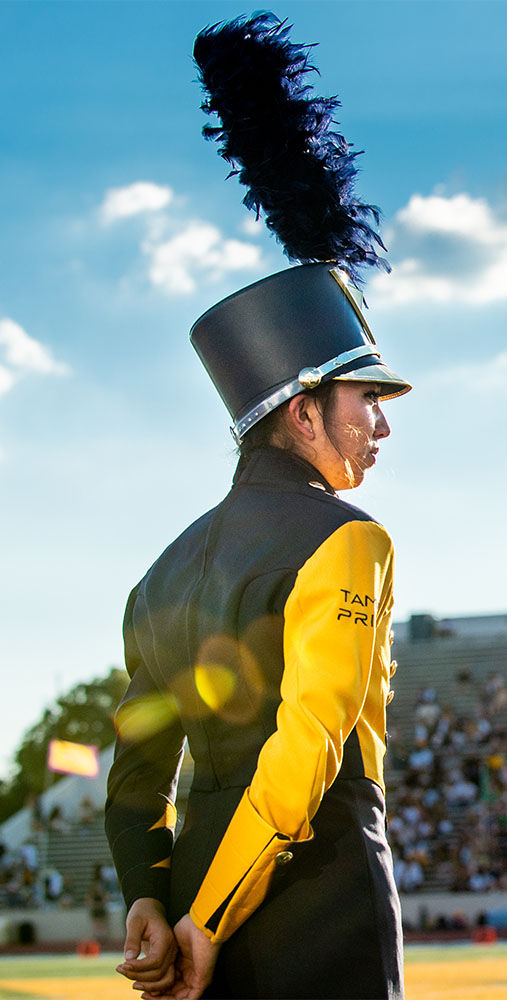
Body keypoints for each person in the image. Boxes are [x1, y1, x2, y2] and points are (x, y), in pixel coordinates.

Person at [104, 13, 410, 1000]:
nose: (382, 426)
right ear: (301, 408)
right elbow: (306, 752)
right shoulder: (348, 540)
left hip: (191, 900)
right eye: (367, 401)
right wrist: (209, 920)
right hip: (311, 906)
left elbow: (137, 778)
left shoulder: (158, 572)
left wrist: (152, 899)